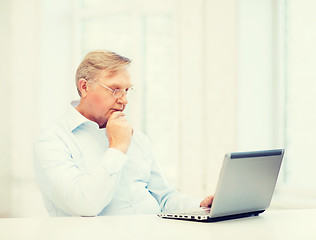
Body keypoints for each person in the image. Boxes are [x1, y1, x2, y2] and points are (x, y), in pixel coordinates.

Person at [33, 50, 213, 217]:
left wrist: (201, 205)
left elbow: (164, 198)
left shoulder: (138, 138)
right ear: (84, 87)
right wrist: (117, 148)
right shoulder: (52, 141)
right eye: (114, 89)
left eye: (127, 90)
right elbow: (83, 205)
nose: (124, 99)